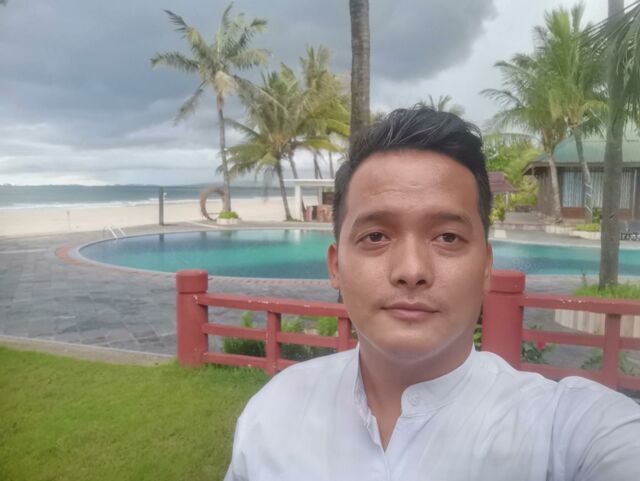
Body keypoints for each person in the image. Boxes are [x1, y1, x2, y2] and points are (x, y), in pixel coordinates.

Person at [224, 107, 640, 480]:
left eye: (447, 237)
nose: (412, 271)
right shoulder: (273, 413)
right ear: (336, 266)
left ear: (486, 267)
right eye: (375, 236)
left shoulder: (562, 431)